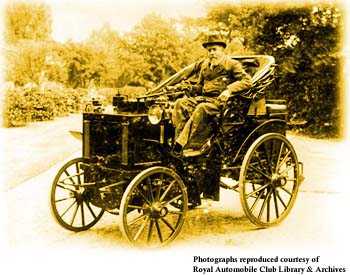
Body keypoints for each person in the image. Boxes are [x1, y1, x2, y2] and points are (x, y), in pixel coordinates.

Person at [172, 33, 253, 154]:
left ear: (222, 49)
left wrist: (229, 90)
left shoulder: (231, 64)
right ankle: (178, 142)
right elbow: (200, 87)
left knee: (202, 108)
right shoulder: (205, 66)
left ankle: (185, 145)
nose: (212, 53)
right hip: (204, 99)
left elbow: (247, 81)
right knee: (180, 103)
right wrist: (188, 88)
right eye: (209, 50)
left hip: (221, 104)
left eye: (214, 50)